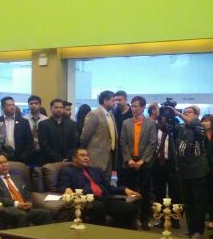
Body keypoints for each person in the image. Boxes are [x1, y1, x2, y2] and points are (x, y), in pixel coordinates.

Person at [58, 148, 140, 229]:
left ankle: (118, 233)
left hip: (104, 199)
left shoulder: (96, 170)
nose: (86, 158)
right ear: (74, 158)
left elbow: (109, 187)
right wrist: (67, 189)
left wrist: (125, 189)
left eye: (87, 156)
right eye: (82, 155)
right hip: (87, 201)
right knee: (99, 207)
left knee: (132, 209)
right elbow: (63, 185)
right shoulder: (68, 171)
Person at [0, 152, 53, 227]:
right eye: (0, 163)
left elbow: (27, 193)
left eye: (5, 162)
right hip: (6, 209)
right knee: (21, 215)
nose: (4, 165)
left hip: (23, 208)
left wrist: (28, 202)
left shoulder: (16, 178)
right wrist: (16, 204)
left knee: (45, 213)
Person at [118, 96, 157, 230]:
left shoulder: (150, 123)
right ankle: (131, 218)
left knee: (145, 191)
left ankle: (144, 219)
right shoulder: (126, 123)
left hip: (144, 163)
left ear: (143, 107)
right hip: (129, 162)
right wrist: (128, 159)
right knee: (130, 191)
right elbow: (122, 142)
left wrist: (142, 160)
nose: (134, 108)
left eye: (136, 106)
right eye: (132, 106)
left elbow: (152, 143)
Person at [169, 105, 208, 238]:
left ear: (196, 114)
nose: (186, 114)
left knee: (198, 203)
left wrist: (179, 114)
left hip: (197, 170)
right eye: (185, 112)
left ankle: (198, 230)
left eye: (189, 112)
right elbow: (165, 129)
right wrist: (165, 117)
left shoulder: (199, 126)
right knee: (188, 203)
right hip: (183, 170)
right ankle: (191, 229)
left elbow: (193, 124)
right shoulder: (181, 128)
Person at [80, 90, 118, 172]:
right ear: (105, 101)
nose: (115, 103)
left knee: (107, 179)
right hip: (96, 157)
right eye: (113, 100)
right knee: (95, 179)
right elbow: (85, 136)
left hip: (109, 156)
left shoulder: (111, 114)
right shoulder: (94, 114)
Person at [38, 98, 80, 163]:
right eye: (56, 107)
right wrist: (59, 159)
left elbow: (74, 143)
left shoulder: (72, 124)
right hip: (49, 161)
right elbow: (44, 145)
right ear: (51, 109)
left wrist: (67, 157)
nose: (59, 109)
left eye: (61, 107)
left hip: (68, 160)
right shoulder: (43, 124)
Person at [0, 96, 33, 163]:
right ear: (2, 108)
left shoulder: (24, 121)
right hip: (2, 158)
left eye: (13, 104)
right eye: (9, 105)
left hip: (21, 158)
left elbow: (29, 141)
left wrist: (24, 155)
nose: (12, 107)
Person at [25, 94, 48, 165]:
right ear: (28, 105)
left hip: (43, 150)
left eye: (36, 103)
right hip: (28, 151)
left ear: (40, 105)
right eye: (31, 103)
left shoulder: (46, 119)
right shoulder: (24, 119)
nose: (33, 105)